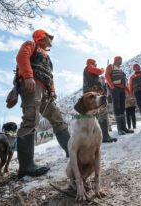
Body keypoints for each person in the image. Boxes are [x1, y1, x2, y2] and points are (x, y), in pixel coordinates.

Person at [15, 29, 70, 178]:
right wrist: (27, 76)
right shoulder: (30, 45)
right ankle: (26, 166)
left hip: (45, 91)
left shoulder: (46, 57)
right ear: (41, 37)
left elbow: (49, 76)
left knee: (58, 119)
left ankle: (71, 150)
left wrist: (52, 91)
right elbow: (21, 57)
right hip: (32, 86)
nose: (51, 39)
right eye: (49, 37)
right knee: (30, 120)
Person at [83, 58, 117, 143]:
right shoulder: (89, 67)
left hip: (93, 95)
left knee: (98, 115)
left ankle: (101, 136)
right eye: (95, 64)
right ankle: (105, 136)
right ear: (92, 63)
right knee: (103, 113)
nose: (96, 65)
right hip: (94, 96)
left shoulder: (88, 71)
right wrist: (102, 69)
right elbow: (99, 71)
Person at [105, 56, 134, 135]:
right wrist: (112, 86)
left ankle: (124, 128)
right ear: (116, 60)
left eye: (121, 60)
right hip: (115, 89)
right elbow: (107, 76)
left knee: (122, 107)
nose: (121, 62)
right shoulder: (110, 66)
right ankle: (120, 129)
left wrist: (128, 91)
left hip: (122, 89)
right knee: (117, 107)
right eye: (120, 60)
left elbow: (124, 81)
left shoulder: (120, 70)